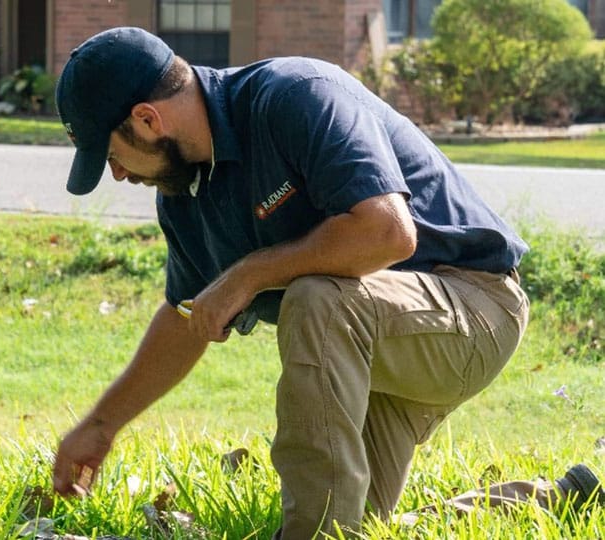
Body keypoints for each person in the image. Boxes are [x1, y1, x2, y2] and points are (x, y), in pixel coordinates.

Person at [50, 27, 600, 538]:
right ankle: (561, 499)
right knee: (357, 524)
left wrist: (250, 272)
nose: (118, 175)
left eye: (112, 157)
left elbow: (387, 234)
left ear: (148, 120)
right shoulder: (186, 197)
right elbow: (186, 317)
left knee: (317, 300)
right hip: (373, 346)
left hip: (472, 308)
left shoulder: (294, 96)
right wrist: (102, 424)